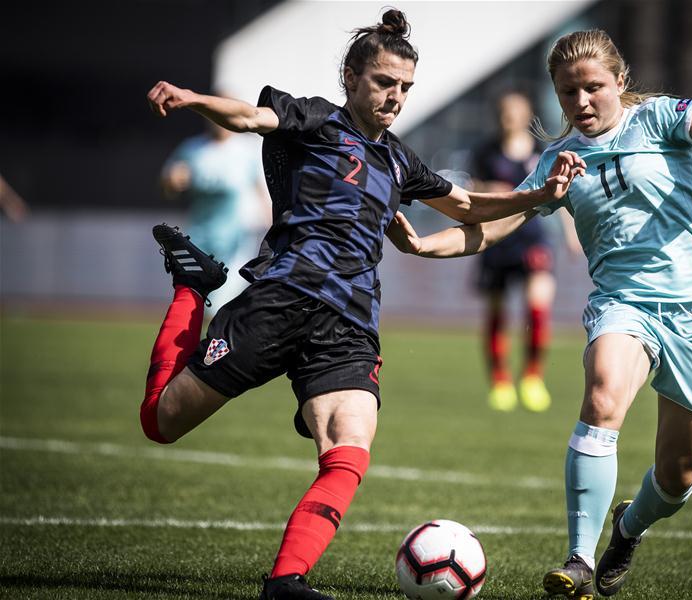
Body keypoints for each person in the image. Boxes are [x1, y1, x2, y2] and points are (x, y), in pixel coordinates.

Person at [142, 10, 580, 600]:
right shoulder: (316, 118)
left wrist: (539, 197)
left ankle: (286, 583)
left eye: (405, 88)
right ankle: (194, 287)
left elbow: (471, 209)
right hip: (281, 297)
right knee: (161, 423)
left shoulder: (401, 160)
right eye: (384, 83)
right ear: (352, 77)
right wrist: (194, 98)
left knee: (349, 449)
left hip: (348, 323)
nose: (395, 97)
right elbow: (248, 116)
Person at [389, 28, 692, 599]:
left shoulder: (662, 119)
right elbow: (491, 228)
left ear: (619, 82)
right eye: (569, 93)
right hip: (624, 306)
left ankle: (628, 528)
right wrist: (424, 245)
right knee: (602, 396)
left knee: (678, 478)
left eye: (593, 87)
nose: (583, 102)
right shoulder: (557, 164)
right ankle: (579, 560)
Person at [469, 92, 570, 413]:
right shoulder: (485, 152)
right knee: (497, 311)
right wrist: (489, 191)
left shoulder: (542, 152)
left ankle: (532, 376)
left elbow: (560, 192)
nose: (508, 117)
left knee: (537, 304)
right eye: (503, 111)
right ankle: (500, 380)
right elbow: (471, 191)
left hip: (532, 239)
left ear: (526, 115)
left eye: (514, 112)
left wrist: (571, 233)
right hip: (497, 239)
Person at [160, 120, 269, 313]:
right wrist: (172, 181)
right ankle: (194, 343)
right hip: (199, 237)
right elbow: (168, 185)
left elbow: (262, 189)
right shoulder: (192, 148)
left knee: (218, 307)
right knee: (192, 302)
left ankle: (212, 342)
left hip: (236, 241)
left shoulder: (247, 149)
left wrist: (271, 221)